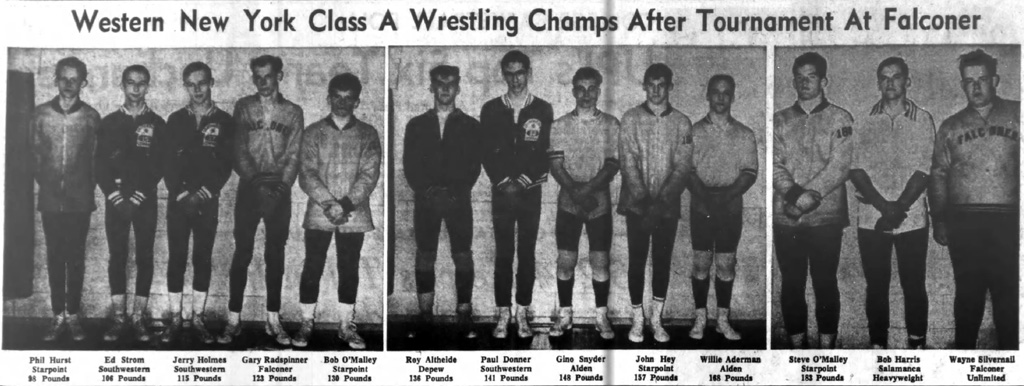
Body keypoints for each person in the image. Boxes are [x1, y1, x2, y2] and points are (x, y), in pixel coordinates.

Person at [930, 49, 1019, 350]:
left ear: (995, 80)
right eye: (969, 81)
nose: (976, 87)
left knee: (1008, 294)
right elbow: (939, 174)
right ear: (962, 85)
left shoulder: (1018, 114)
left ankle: (1012, 358)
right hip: (965, 222)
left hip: (1009, 221)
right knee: (968, 294)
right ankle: (963, 356)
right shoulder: (950, 126)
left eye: (982, 79)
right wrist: (939, 219)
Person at [848, 57, 933, 349]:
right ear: (878, 82)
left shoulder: (923, 119)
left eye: (896, 77)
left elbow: (924, 170)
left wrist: (898, 209)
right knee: (876, 287)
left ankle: (917, 344)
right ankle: (877, 345)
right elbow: (855, 169)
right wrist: (885, 209)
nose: (890, 83)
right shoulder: (863, 119)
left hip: (912, 219)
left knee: (914, 285)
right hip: (872, 218)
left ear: (907, 81)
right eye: (884, 77)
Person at [219, 55, 304, 346]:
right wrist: (255, 182)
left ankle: (273, 319)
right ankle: (233, 320)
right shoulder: (243, 106)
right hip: (249, 187)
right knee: (242, 253)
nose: (262, 82)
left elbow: (294, 155)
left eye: (267, 76)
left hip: (279, 189)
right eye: (257, 76)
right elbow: (238, 149)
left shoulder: (293, 111)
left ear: (279, 76)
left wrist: (280, 188)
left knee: (275, 255)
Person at [292, 73, 381, 350]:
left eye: (348, 97)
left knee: (349, 268)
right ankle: (307, 322)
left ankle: (345, 324)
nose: (342, 102)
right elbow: (306, 173)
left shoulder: (368, 133)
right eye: (337, 96)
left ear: (357, 100)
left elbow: (369, 175)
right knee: (312, 267)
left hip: (353, 213)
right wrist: (330, 203)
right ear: (328, 97)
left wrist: (343, 206)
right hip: (321, 212)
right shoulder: (313, 132)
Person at [773, 52, 854, 349]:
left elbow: (839, 166)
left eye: (811, 76)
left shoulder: (840, 118)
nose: (804, 82)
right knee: (792, 285)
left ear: (824, 80)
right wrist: (794, 196)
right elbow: (774, 164)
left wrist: (805, 199)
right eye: (799, 76)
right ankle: (797, 351)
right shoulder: (779, 120)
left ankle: (826, 351)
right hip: (786, 217)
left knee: (825, 283)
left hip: (825, 219)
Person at [403, 65, 482, 339]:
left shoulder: (471, 125)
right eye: (439, 83)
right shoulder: (416, 124)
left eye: (450, 84)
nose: (445, 89)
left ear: (458, 88)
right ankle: (425, 314)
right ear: (431, 87)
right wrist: (428, 191)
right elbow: (410, 165)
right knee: (425, 255)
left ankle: (464, 313)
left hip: (458, 200)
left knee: (462, 255)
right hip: (426, 201)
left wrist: (453, 192)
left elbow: (474, 166)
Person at [480, 50, 553, 339]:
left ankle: (522, 313)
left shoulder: (543, 109)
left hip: (529, 193)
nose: (515, 78)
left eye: (520, 72)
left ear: (528, 72)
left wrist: (521, 182)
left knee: (526, 253)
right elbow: (485, 151)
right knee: (503, 254)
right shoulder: (491, 108)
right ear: (503, 75)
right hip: (501, 193)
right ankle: (502, 313)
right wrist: (502, 181)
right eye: (509, 73)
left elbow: (544, 151)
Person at [161, 62, 235, 344]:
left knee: (202, 259)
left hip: (207, 201)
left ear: (211, 82)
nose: (197, 89)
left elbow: (226, 165)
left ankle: (198, 318)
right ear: (184, 86)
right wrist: (181, 194)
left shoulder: (225, 121)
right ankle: (176, 318)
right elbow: (167, 162)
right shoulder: (175, 119)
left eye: (201, 83)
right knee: (177, 258)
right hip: (178, 201)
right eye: (191, 84)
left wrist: (203, 193)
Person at [618, 63, 693, 343]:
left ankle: (656, 319)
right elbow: (628, 162)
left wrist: (660, 203)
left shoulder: (682, 122)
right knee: (636, 261)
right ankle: (637, 320)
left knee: (662, 261)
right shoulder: (630, 118)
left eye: (662, 84)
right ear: (645, 86)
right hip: (637, 205)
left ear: (670, 86)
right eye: (652, 84)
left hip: (667, 206)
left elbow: (683, 167)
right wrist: (644, 200)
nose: (657, 90)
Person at [547, 67, 620, 340]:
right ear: (573, 90)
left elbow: (612, 165)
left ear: (599, 90)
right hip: (569, 199)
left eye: (592, 88)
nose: (586, 94)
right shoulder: (560, 124)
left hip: (598, 199)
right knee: (566, 259)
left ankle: (601, 316)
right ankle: (565, 314)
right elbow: (556, 165)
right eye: (581, 88)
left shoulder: (612, 124)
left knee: (600, 261)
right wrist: (576, 193)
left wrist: (587, 190)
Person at [33, 57, 102, 342]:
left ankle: (73, 314)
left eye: (75, 79)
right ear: (56, 79)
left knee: (75, 258)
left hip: (79, 202)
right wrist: (50, 185)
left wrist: (80, 189)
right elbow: (34, 157)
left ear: (83, 83)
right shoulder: (39, 115)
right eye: (64, 78)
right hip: (50, 201)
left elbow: (96, 161)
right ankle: (57, 314)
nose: (69, 84)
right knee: (54, 256)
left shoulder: (91, 117)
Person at [96, 64, 166, 343]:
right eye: (130, 83)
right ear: (122, 85)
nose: (135, 88)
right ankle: (118, 317)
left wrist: (138, 197)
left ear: (147, 86)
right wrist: (114, 197)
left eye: (141, 83)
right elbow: (99, 165)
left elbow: (159, 165)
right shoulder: (109, 122)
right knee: (117, 256)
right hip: (115, 200)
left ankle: (138, 317)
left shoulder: (158, 123)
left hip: (144, 201)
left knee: (145, 256)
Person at [686, 74, 758, 342]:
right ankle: (700, 318)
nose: (720, 97)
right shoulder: (693, 131)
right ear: (707, 94)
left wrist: (726, 196)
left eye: (726, 93)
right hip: (701, 204)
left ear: (733, 96)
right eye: (715, 92)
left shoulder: (744, 133)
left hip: (730, 206)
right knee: (701, 264)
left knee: (726, 264)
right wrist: (705, 196)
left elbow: (750, 172)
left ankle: (722, 319)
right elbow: (687, 170)